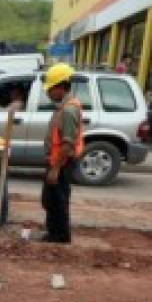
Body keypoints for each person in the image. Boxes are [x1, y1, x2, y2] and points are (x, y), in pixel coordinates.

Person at [41, 63, 85, 243]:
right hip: (57, 161)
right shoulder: (64, 106)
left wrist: (56, 169)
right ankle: (54, 233)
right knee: (50, 200)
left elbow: (68, 144)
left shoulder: (68, 110)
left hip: (62, 163)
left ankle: (60, 236)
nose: (48, 93)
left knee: (58, 201)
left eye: (50, 89)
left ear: (60, 87)